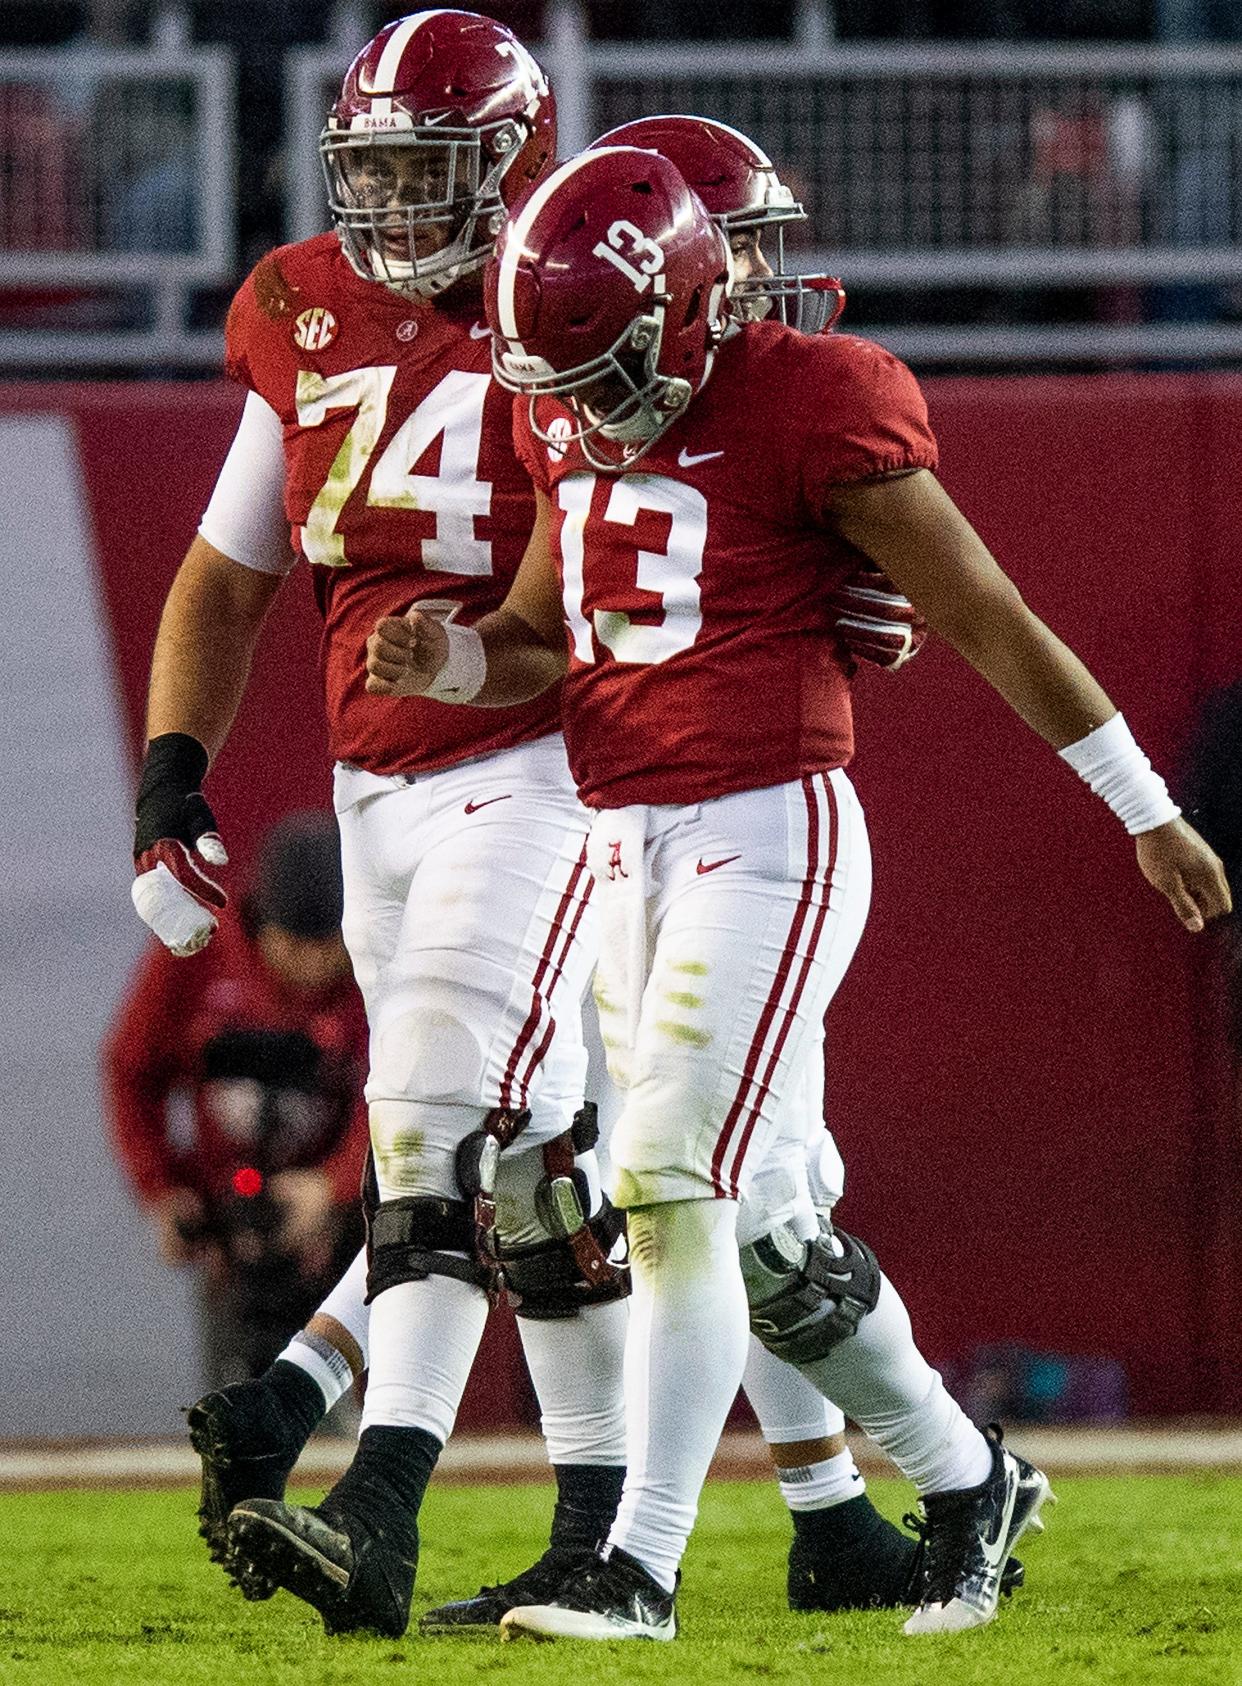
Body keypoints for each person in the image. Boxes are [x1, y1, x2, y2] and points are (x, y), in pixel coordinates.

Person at [361, 143, 1230, 1640]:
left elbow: (985, 616)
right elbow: (536, 631)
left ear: (688, 310)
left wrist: (1142, 807)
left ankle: (633, 1564)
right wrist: (448, 657)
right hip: (626, 844)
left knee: (662, 1179)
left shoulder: (811, 400)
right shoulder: (560, 405)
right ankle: (969, 1482)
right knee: (763, 1237)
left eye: (616, 364)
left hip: (760, 837)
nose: (589, 405)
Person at [129, 10, 630, 1641]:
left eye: (433, 169)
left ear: (511, 167)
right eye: (378, 170)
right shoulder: (299, 305)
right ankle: (603, 1538)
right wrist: (170, 777)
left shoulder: (565, 297)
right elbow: (227, 571)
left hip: (542, 768)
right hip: (374, 788)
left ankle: (378, 1498)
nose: (401, 204)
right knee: (536, 1168)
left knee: (424, 1118)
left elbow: (642, 536)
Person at [106, 812, 368, 1387]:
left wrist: (331, 1188)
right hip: (233, 1230)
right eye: (294, 945)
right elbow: (132, 1070)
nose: (312, 965)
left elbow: (401, 1097)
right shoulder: (196, 951)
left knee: (355, 1397)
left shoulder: (376, 969)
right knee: (237, 1398)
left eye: (329, 946)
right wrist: (164, 1190)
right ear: (258, 923)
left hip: (352, 1232)